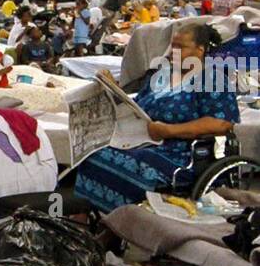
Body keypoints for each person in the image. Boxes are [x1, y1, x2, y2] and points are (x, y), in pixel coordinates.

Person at [74, 22, 239, 214]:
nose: (172, 52)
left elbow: (221, 123)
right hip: (143, 142)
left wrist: (168, 130)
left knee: (132, 167)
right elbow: (136, 108)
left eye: (180, 47)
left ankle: (124, 224)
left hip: (180, 153)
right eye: (172, 46)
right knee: (91, 154)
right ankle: (105, 225)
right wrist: (113, 89)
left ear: (200, 50)